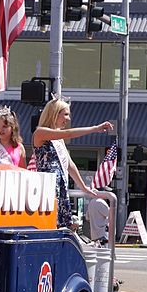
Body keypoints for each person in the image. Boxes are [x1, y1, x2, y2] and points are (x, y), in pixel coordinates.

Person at [32, 98, 113, 229]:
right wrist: (95, 128)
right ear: (54, 113)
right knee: (49, 225)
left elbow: (70, 165)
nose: (68, 119)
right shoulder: (40, 132)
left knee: (62, 226)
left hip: (61, 187)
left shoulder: (59, 139)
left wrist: (84, 188)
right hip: (48, 188)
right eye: (65, 114)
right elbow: (68, 133)